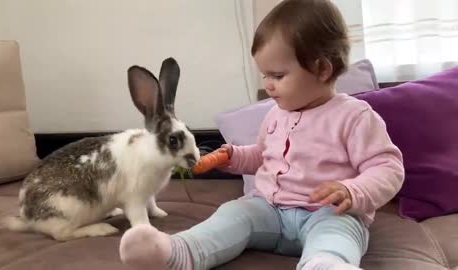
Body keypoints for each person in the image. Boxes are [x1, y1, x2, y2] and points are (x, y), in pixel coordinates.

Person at [119, 0, 405, 269]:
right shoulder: (275, 113)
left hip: (328, 214)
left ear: (321, 68)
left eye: (277, 76)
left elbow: (387, 168)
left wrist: (353, 191)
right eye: (264, 75)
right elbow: (262, 155)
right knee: (233, 214)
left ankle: (326, 263)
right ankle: (178, 253)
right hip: (269, 210)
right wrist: (233, 156)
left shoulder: (354, 116)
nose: (268, 85)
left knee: (336, 236)